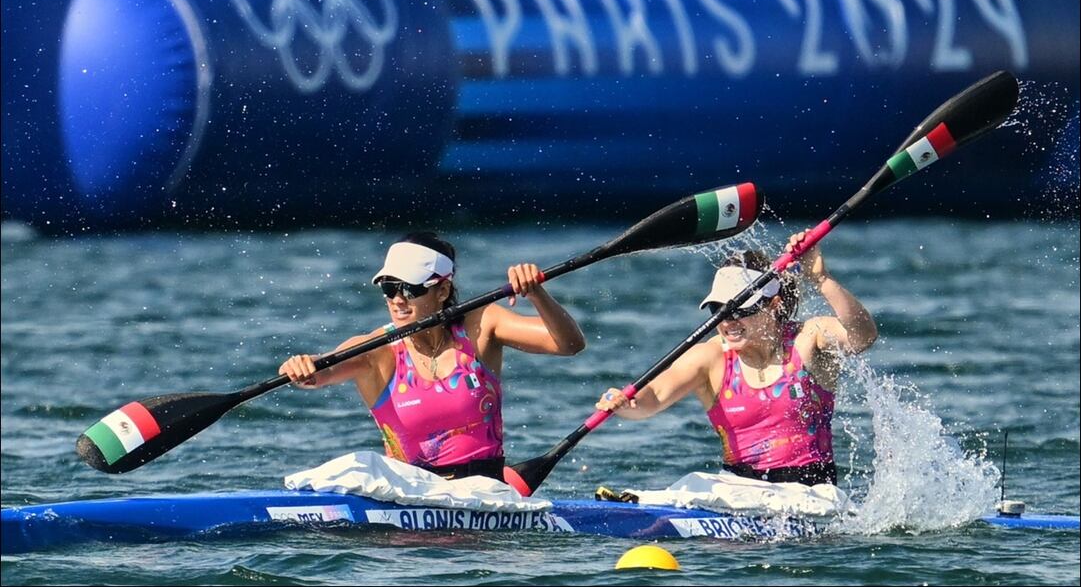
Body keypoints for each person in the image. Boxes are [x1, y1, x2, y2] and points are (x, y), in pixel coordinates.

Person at [280, 232, 586, 481]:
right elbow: (321, 373)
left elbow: (569, 344)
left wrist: (536, 294)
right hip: (410, 496)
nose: (398, 299)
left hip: (485, 494)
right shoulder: (376, 349)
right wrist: (302, 368)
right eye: (389, 288)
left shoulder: (482, 325)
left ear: (442, 290)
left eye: (410, 288)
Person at [595, 230, 877, 486]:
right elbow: (653, 397)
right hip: (738, 489)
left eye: (740, 309)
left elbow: (863, 336)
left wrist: (821, 279)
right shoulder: (711, 356)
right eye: (718, 309)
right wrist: (626, 403)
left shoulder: (809, 337)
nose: (728, 320)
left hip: (812, 493)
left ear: (773, 305)